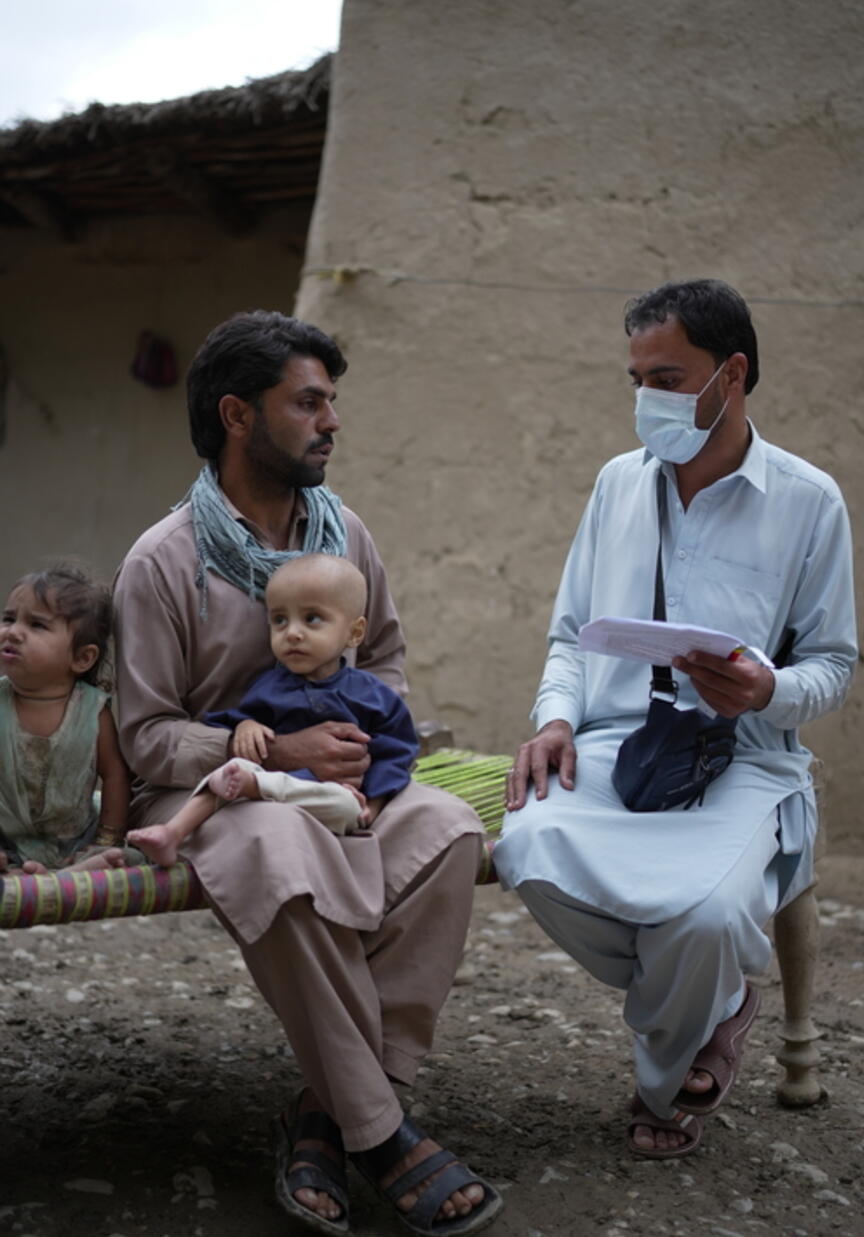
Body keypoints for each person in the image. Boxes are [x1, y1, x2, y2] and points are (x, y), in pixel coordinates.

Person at [113, 310, 503, 1236]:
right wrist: (270, 754)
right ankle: (381, 1134)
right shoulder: (162, 560)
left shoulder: (344, 535)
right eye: (310, 402)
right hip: (214, 791)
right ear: (239, 415)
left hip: (342, 786)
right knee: (275, 844)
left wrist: (361, 752)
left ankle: (325, 1112)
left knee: (447, 827)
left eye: (332, 402)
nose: (332, 421)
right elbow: (146, 736)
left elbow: (390, 663)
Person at [495, 279, 857, 1159]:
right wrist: (553, 721)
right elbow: (572, 635)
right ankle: (714, 1003)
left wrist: (766, 689)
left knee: (703, 920)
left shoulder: (811, 501)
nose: (645, 399)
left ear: (731, 375)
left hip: (744, 761)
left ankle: (664, 1087)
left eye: (667, 375)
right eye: (635, 378)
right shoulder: (617, 484)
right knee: (526, 848)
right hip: (617, 748)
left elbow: (835, 665)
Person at [126, 553, 420, 866]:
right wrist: (245, 727)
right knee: (232, 772)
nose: (292, 632)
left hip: (328, 796)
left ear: (355, 633)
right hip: (268, 790)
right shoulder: (271, 686)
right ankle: (171, 832)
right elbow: (231, 721)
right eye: (280, 620)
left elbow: (395, 753)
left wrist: (372, 805)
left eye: (312, 619)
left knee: (344, 805)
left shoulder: (372, 696)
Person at [0, 563, 131, 874]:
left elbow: (115, 777)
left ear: (82, 658)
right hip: (5, 836)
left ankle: (78, 865)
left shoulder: (92, 711)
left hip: (75, 838)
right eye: (8, 618)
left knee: (121, 858)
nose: (13, 631)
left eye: (36, 625)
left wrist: (106, 838)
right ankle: (24, 868)